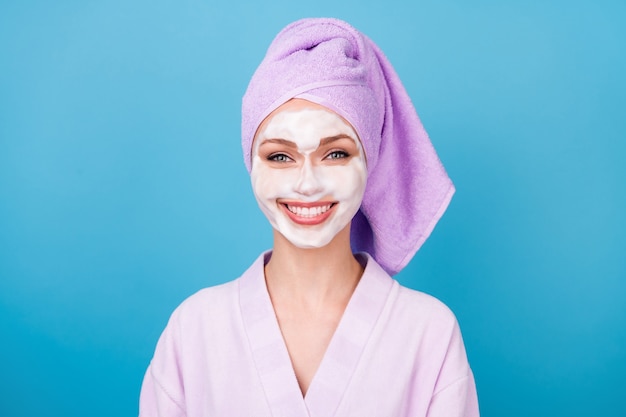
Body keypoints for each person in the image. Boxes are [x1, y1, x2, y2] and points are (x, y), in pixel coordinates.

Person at [139, 18, 479, 417]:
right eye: (279, 156)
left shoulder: (429, 333)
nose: (307, 183)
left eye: (336, 153)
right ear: (251, 164)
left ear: (370, 162)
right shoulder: (193, 330)